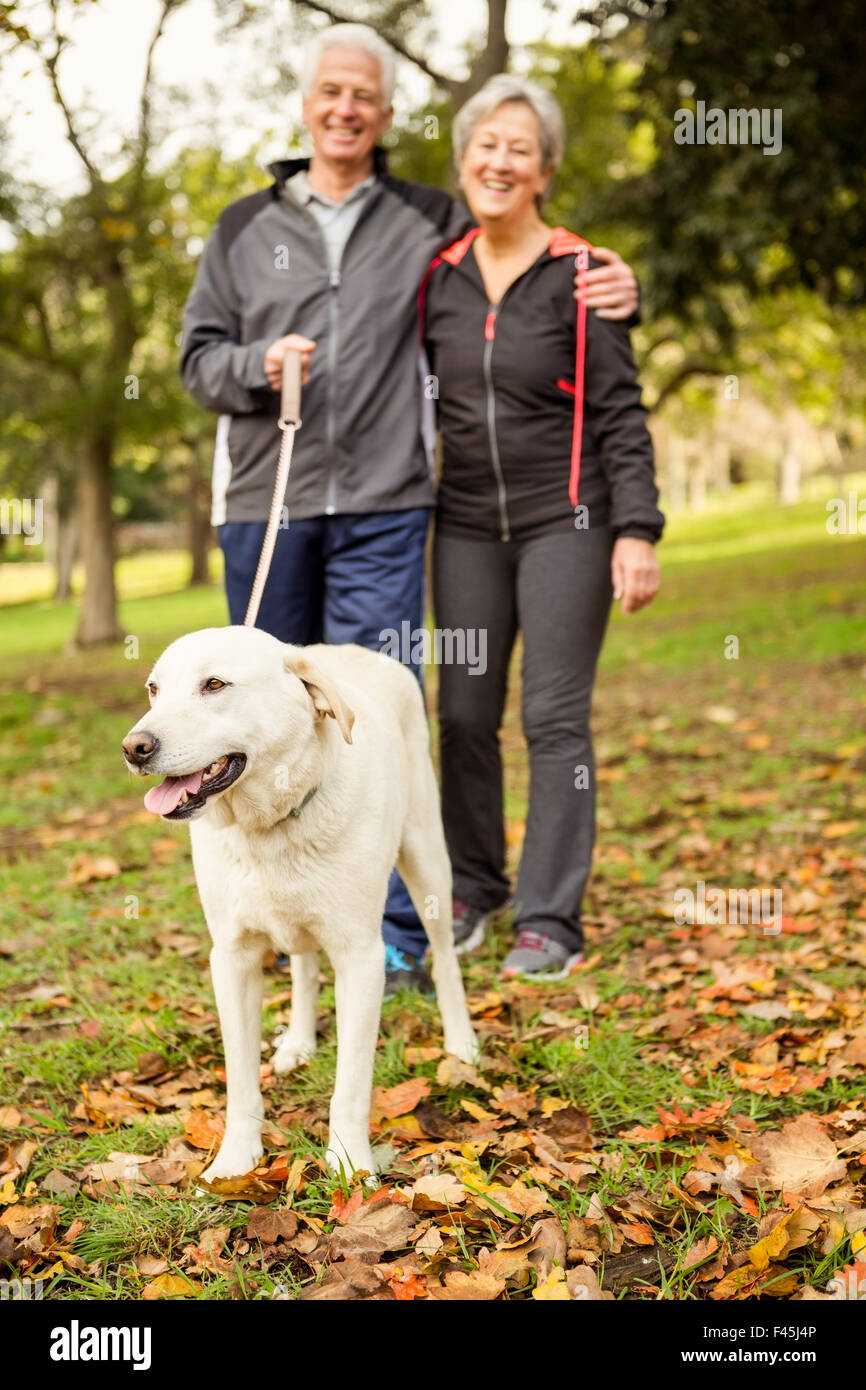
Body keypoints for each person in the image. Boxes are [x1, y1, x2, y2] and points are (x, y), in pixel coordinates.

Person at [179, 25, 641, 993]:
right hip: (282, 507)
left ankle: (401, 929)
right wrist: (252, 366)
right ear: (307, 104)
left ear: (386, 117)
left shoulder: (424, 220)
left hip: (395, 510)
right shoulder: (243, 228)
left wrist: (619, 284)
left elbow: (538, 269)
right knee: (262, 719)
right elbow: (194, 361)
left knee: (380, 719)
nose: (345, 109)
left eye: (365, 96)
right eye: (330, 92)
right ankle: (269, 919)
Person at [422, 74, 664, 979]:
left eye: (519, 148)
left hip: (568, 522)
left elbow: (622, 413)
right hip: (467, 527)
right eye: (487, 143)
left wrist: (635, 528)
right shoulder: (436, 280)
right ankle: (472, 885)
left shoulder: (584, 274)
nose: (500, 159)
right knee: (464, 714)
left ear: (545, 169)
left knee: (554, 717)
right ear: (464, 159)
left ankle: (551, 917)